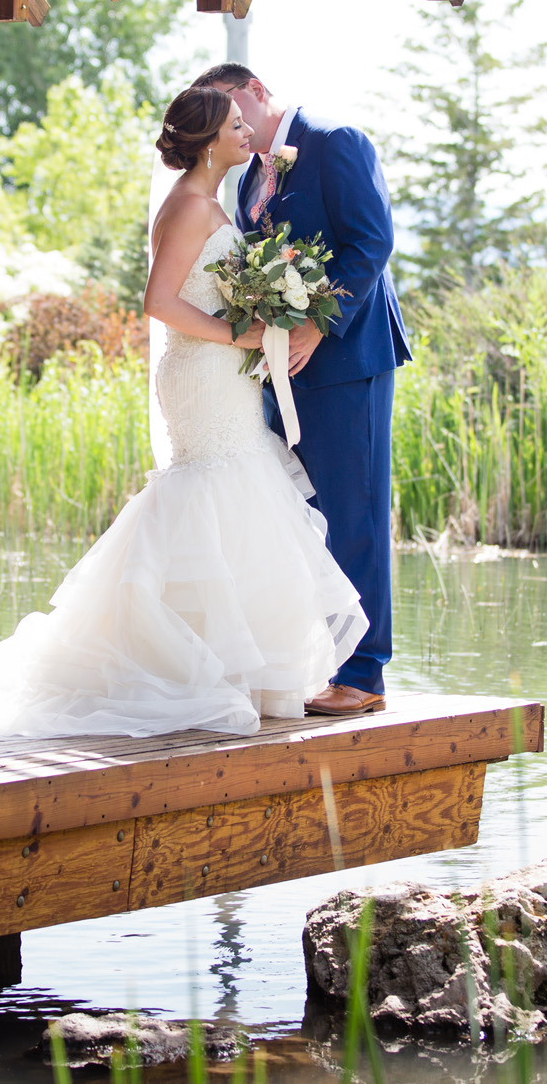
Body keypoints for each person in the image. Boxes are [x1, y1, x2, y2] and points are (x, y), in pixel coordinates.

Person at [0, 86, 367, 739]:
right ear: (209, 139)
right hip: (204, 374)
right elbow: (158, 301)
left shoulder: (212, 202)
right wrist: (238, 335)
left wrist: (267, 308)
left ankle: (232, 670)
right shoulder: (190, 207)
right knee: (215, 489)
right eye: (236, 125)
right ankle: (194, 668)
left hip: (225, 378)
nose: (248, 133)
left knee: (236, 498)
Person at [194, 63, 410, 717]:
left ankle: (365, 675)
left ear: (259, 92)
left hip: (349, 358)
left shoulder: (335, 139)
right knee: (298, 514)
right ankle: (317, 661)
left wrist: (317, 324)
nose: (231, 126)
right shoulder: (252, 178)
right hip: (285, 367)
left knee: (355, 513)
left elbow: (372, 241)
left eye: (234, 111)